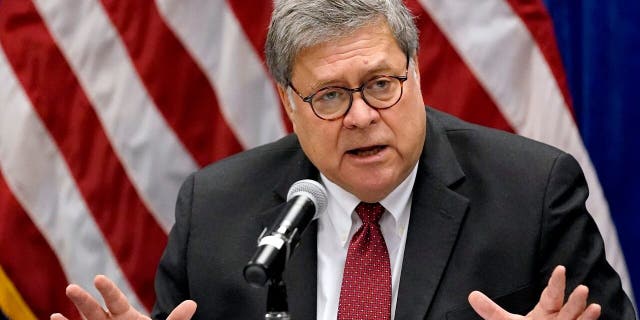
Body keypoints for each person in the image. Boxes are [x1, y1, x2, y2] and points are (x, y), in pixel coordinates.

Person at [51, 0, 636, 319]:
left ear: (416, 75)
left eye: (382, 84)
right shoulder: (217, 211)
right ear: (289, 103)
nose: (361, 116)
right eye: (330, 96)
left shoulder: (532, 190)